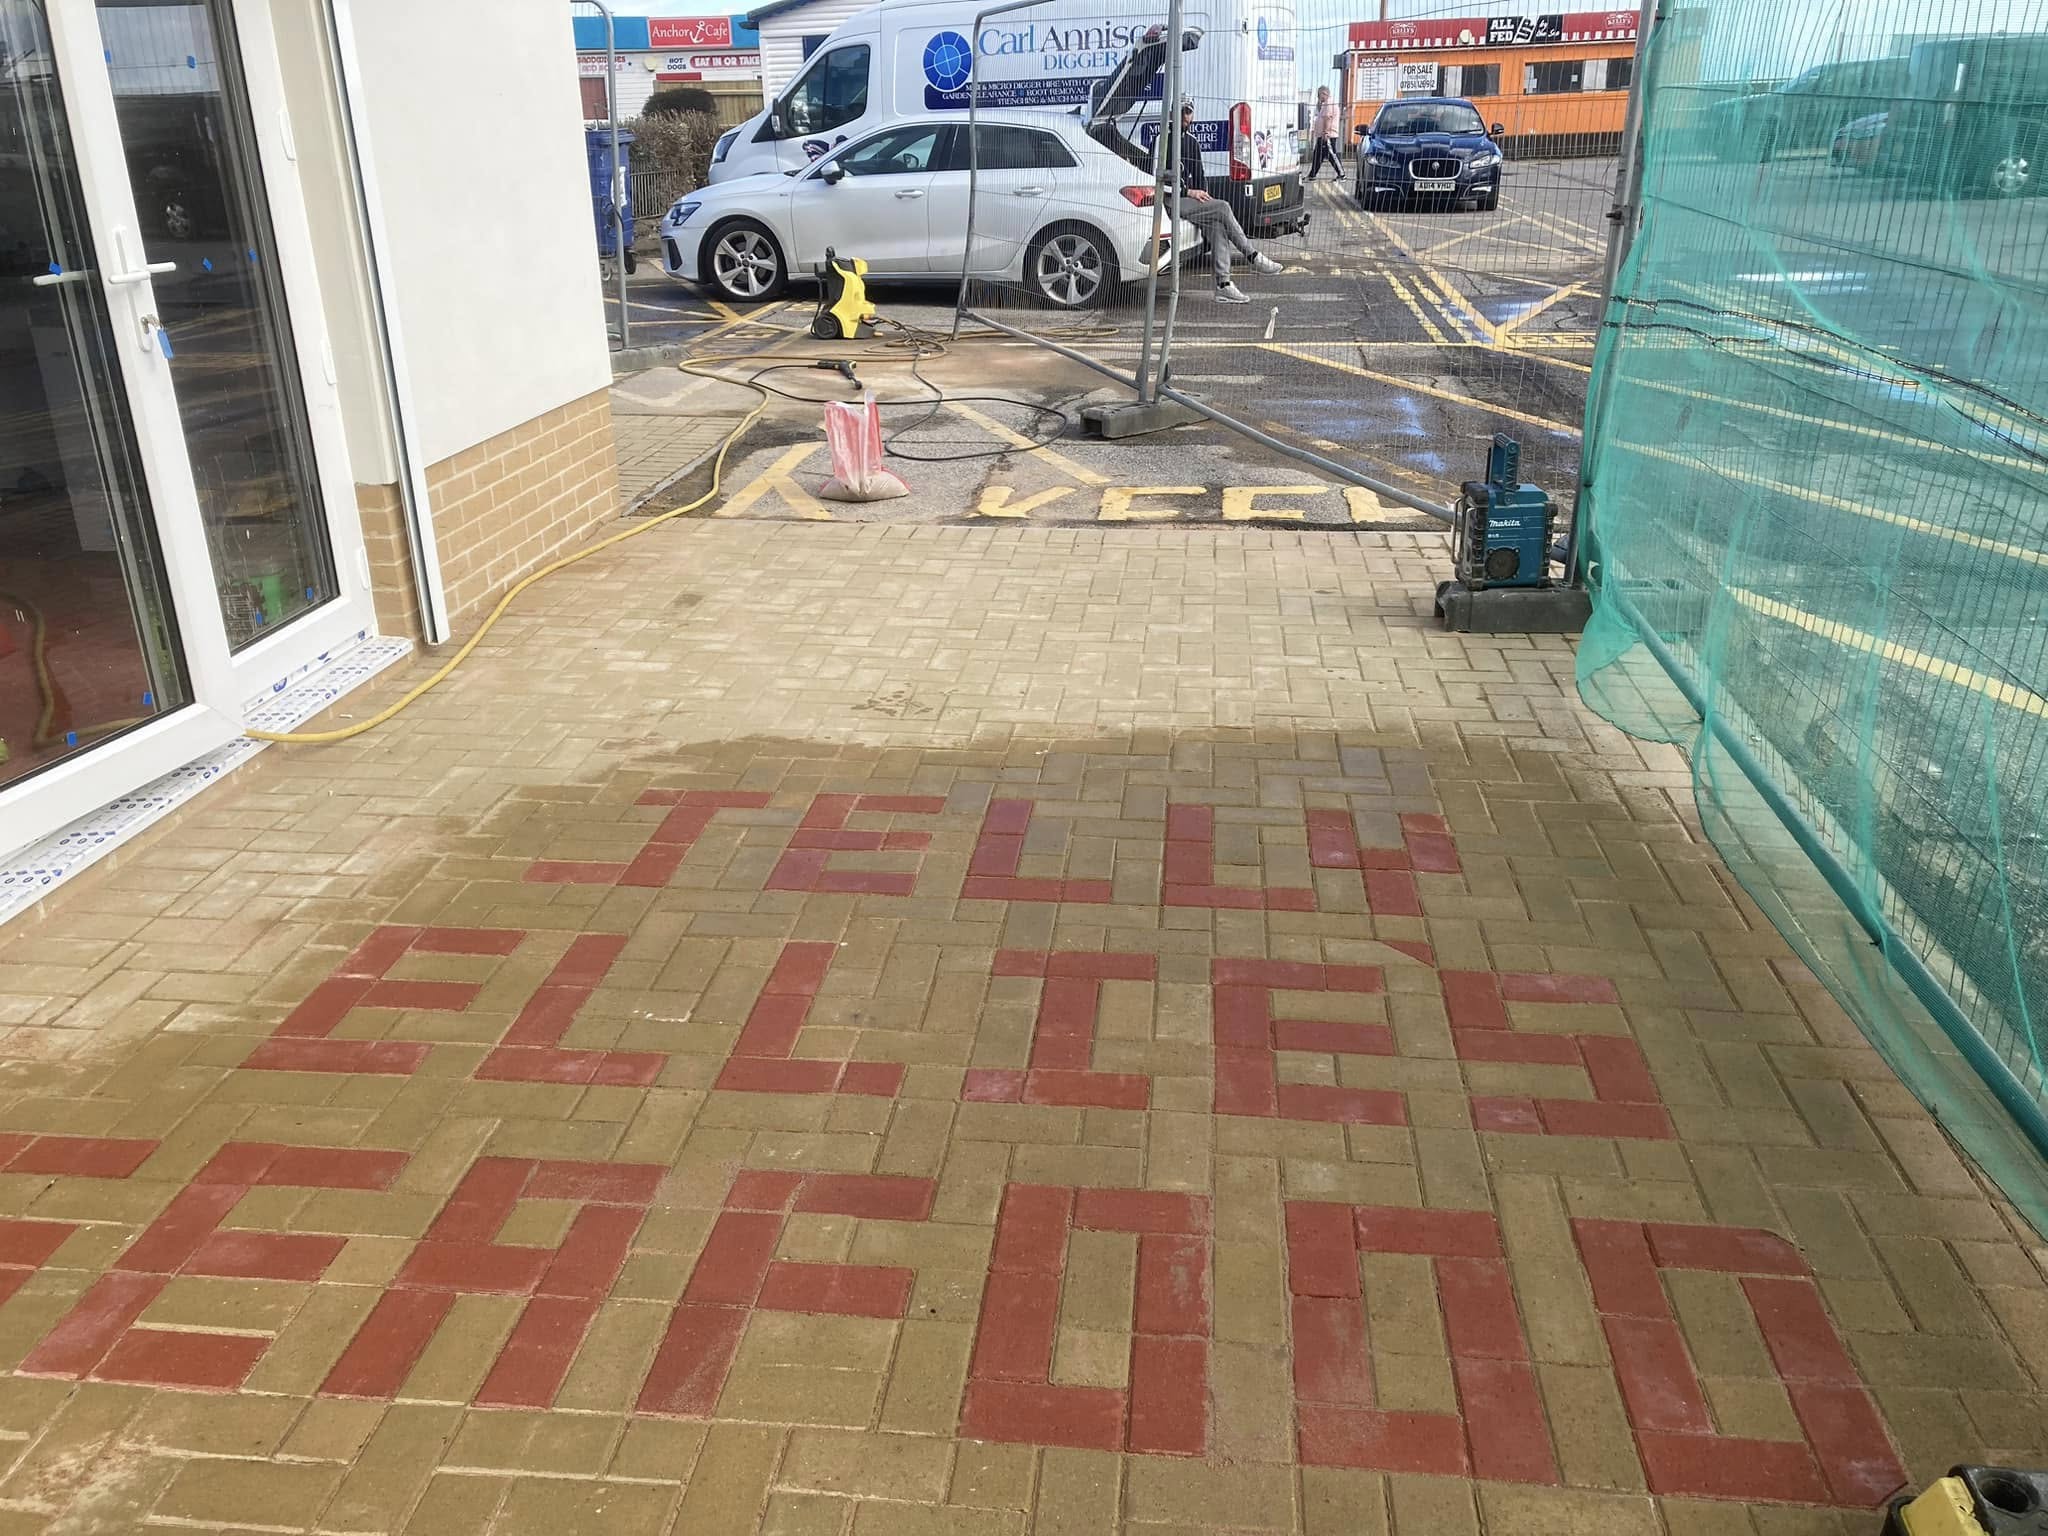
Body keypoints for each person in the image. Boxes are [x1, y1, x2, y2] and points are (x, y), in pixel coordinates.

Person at [1159, 99, 1281, 304]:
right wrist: (1189, 192)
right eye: (1181, 112)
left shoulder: (1192, 142)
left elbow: (1201, 177)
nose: (1186, 116)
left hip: (1189, 200)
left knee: (1217, 224)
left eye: (1189, 111)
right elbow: (1158, 178)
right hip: (1171, 200)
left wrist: (1204, 196)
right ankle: (1252, 257)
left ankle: (1223, 286)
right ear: (1172, 114)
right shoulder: (1163, 141)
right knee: (1223, 206)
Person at [1308, 85, 1344, 180]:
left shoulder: (1329, 103)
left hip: (1328, 135)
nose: (1319, 98)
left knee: (1332, 155)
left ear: (1325, 93)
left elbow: (1328, 118)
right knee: (1317, 155)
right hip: (1322, 135)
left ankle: (1342, 174)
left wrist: (1325, 132)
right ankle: (1312, 175)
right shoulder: (1326, 104)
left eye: (1319, 95)